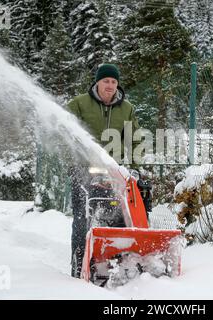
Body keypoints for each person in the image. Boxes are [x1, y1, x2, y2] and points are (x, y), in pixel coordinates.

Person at [67, 63, 141, 278]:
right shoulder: (79, 104)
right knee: (83, 217)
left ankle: (116, 265)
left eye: (114, 82)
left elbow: (135, 139)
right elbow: (63, 133)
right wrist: (73, 163)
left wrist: (134, 167)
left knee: (118, 216)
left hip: (112, 172)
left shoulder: (126, 108)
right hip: (83, 169)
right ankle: (78, 265)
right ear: (97, 82)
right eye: (106, 81)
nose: (110, 85)